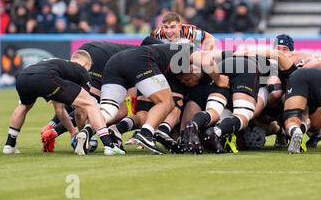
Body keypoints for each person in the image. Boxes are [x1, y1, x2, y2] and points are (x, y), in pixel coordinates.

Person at [96, 43, 229, 154]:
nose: (185, 82)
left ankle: (90, 132)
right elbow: (207, 60)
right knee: (166, 103)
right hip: (140, 59)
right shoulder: (190, 50)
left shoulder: (170, 56)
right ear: (193, 69)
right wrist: (218, 80)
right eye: (187, 79)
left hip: (114, 62)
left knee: (108, 110)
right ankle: (146, 133)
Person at [3, 51, 125, 156]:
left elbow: (60, 110)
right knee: (91, 103)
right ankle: (109, 145)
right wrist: (82, 132)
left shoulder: (59, 67)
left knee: (24, 106)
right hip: (46, 78)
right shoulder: (82, 70)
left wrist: (73, 131)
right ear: (86, 64)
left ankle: (9, 145)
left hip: (23, 77)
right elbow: (81, 110)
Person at [40, 41, 137, 152]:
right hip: (101, 58)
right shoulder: (143, 59)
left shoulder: (135, 51)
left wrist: (52, 124)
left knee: (78, 97)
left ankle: (52, 128)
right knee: (96, 104)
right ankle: (82, 133)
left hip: (85, 48)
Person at [151, 11, 215, 50]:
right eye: (166, 27)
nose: (168, 31)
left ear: (179, 26)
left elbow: (210, 38)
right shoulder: (157, 34)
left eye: (172, 27)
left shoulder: (188, 31)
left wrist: (206, 54)